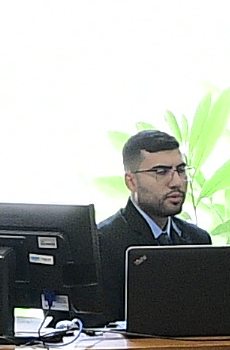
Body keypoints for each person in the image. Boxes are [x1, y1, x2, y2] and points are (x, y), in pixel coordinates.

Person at [90, 127, 210, 322]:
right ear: (131, 182)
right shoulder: (103, 242)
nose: (176, 182)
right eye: (161, 172)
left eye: (180, 170)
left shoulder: (198, 239)